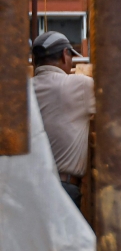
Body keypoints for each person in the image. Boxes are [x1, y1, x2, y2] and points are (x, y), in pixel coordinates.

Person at [31, 31, 94, 209]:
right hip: (62, 189)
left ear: (35, 61)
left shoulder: (24, 90)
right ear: (65, 55)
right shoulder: (78, 85)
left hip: (28, 186)